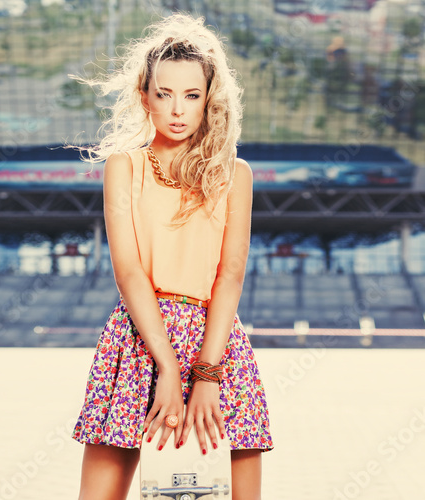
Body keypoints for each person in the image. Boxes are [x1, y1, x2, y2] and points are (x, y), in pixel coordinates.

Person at [70, 13, 273, 500]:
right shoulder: (125, 166)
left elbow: (230, 277)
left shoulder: (234, 174)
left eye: (191, 95)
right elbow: (130, 273)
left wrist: (206, 374)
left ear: (209, 100)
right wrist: (165, 366)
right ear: (145, 97)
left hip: (216, 346)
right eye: (164, 94)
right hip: (138, 343)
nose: (178, 110)